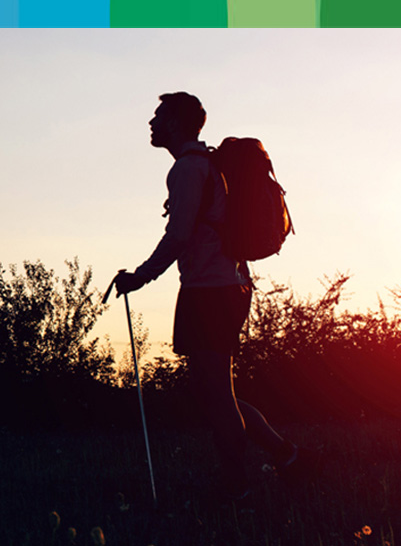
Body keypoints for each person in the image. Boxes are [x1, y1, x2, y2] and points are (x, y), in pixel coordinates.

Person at [112, 92, 307, 500]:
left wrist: (140, 277)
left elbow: (179, 236)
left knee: (215, 393)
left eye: (159, 117)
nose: (151, 124)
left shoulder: (188, 170)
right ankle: (287, 458)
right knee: (216, 391)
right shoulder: (205, 166)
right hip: (224, 285)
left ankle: (237, 486)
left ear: (179, 125)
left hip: (210, 290)